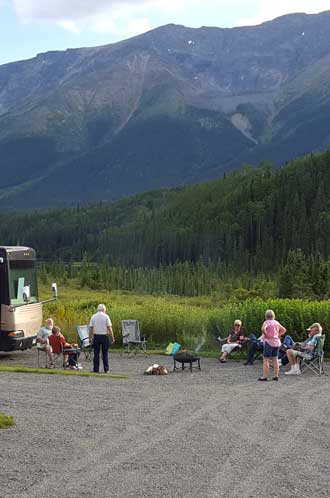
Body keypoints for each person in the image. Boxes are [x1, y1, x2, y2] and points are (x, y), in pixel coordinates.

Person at [258, 310, 286, 381]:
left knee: (266, 359)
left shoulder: (266, 322)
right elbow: (284, 330)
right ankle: (276, 376)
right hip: (276, 342)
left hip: (269, 342)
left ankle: (265, 376)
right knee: (275, 359)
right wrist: (278, 335)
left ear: (266, 316)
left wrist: (266, 335)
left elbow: (263, 329)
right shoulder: (276, 322)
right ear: (274, 316)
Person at [89, 304, 115, 373]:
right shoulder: (106, 316)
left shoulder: (93, 316)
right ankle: (106, 369)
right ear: (104, 309)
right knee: (105, 354)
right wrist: (112, 337)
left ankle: (96, 369)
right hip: (104, 336)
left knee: (96, 354)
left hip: (96, 336)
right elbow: (109, 328)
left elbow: (91, 328)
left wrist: (90, 337)